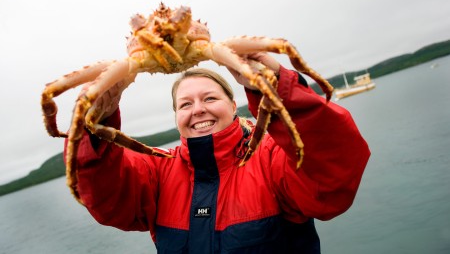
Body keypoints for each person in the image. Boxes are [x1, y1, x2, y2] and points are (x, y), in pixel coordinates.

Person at [65, 53, 370, 253]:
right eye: (185, 104)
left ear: (232, 104)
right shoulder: (158, 171)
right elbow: (106, 194)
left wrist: (281, 91)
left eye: (209, 98)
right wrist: (92, 125)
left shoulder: (270, 158)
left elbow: (332, 179)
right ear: (176, 117)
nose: (198, 109)